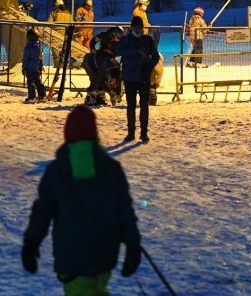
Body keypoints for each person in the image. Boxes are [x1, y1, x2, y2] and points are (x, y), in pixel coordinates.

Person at [22, 105, 142, 294]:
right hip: (104, 255)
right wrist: (133, 246)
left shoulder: (56, 171)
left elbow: (42, 211)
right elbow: (125, 211)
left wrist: (31, 242)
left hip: (71, 258)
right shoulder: (112, 169)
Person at [116, 16, 160, 143]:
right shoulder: (125, 40)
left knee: (144, 106)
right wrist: (136, 51)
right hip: (129, 77)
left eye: (140, 27)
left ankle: (144, 133)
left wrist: (149, 66)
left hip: (143, 77)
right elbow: (118, 51)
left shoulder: (147, 39)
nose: (138, 29)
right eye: (135, 26)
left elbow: (155, 56)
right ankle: (131, 133)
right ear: (132, 27)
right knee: (130, 106)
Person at [21, 28, 46, 104]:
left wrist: (24, 67)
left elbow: (26, 58)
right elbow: (40, 58)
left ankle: (32, 97)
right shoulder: (39, 47)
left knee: (30, 81)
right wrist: (40, 66)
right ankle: (42, 96)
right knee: (38, 81)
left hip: (30, 67)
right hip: (36, 67)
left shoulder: (28, 47)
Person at [48, 0, 73, 69]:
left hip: (56, 33)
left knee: (55, 48)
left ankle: (57, 64)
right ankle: (64, 64)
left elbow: (49, 22)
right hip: (65, 33)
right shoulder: (68, 13)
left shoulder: (54, 12)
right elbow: (71, 23)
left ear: (56, 5)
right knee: (64, 49)